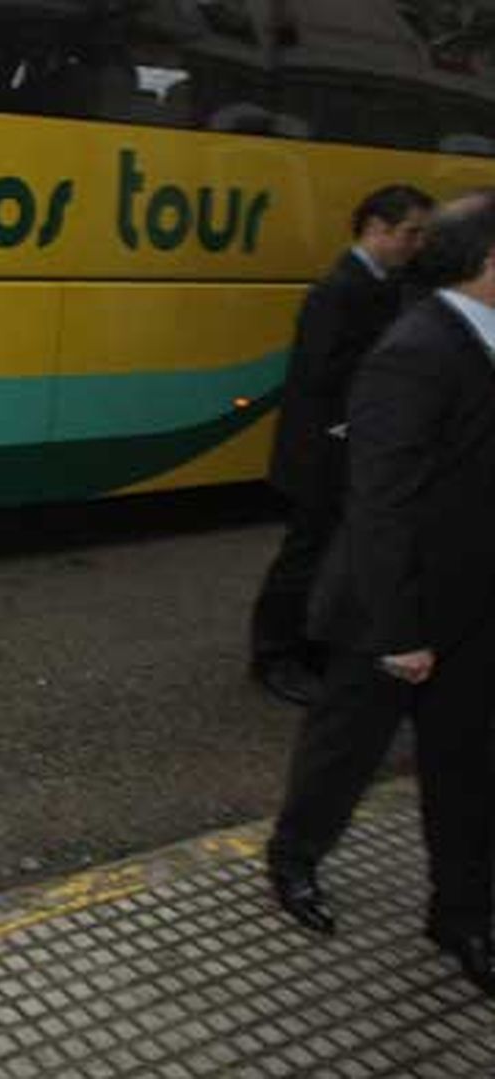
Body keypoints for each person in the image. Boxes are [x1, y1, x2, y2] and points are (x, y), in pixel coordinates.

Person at [266, 190, 495, 999]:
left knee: (468, 767)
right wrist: (402, 631)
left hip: (473, 606)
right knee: (342, 756)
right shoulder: (416, 349)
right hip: (387, 610)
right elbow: (381, 503)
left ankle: (462, 913)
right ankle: (294, 859)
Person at [250, 184, 434, 706]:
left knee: (328, 552)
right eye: (409, 233)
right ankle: (274, 655)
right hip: (323, 450)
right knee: (304, 554)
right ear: (375, 227)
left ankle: (308, 647)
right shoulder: (340, 289)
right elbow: (320, 375)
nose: (416, 245)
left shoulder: (383, 286)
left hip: (345, 445)